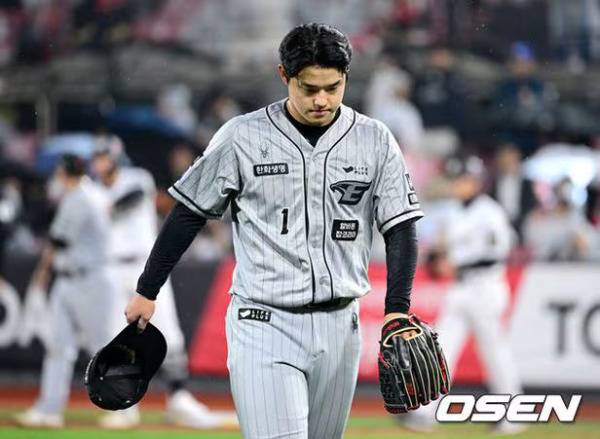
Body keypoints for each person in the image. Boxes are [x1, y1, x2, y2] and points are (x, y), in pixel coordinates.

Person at [124, 23, 424, 439]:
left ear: (346, 77)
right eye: (309, 88)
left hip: (342, 325)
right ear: (284, 75)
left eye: (333, 87)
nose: (322, 100)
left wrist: (397, 308)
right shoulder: (242, 136)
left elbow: (401, 225)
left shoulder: (374, 139)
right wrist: (147, 289)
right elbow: (188, 214)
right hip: (265, 321)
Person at [90, 136, 235, 429]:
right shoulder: (92, 190)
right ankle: (124, 406)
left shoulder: (136, 178)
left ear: (115, 158)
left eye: (105, 157)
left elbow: (129, 199)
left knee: (170, 335)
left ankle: (179, 398)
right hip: (111, 270)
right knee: (116, 338)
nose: (100, 162)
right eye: (98, 157)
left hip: (146, 271)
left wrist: (101, 204)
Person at [406, 155, 524, 435]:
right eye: (455, 179)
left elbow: (497, 254)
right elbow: (441, 251)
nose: (456, 184)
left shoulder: (490, 212)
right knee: (441, 348)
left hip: (486, 287)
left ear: (475, 182)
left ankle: (514, 414)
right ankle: (425, 412)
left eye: (462, 179)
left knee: (495, 353)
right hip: (460, 289)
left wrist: (456, 264)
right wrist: (436, 260)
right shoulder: (453, 211)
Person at [15, 154, 120, 428]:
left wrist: (40, 275)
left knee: (103, 346)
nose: (55, 178)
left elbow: (59, 241)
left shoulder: (81, 197)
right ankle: (49, 409)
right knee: (57, 345)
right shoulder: (87, 194)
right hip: (70, 279)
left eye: (58, 172)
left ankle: (123, 408)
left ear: (65, 173)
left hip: (91, 279)